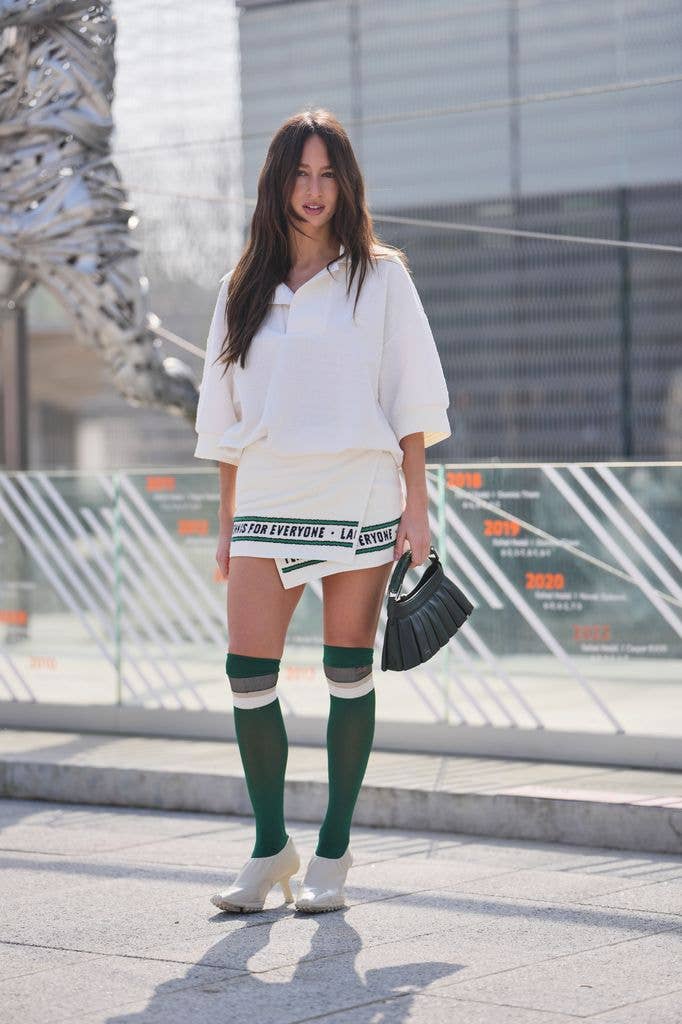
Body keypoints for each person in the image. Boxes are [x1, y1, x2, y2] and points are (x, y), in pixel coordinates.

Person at [193, 108, 451, 913]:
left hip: (360, 495)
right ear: (278, 183)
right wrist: (229, 523)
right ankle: (271, 847)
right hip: (268, 496)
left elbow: (411, 396)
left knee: (347, 674)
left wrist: (418, 504)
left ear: (346, 184)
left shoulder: (382, 277)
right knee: (246, 677)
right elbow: (223, 419)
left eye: (327, 174)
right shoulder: (243, 286)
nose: (314, 190)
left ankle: (334, 849)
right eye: (300, 174)